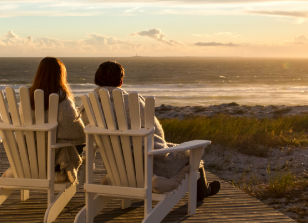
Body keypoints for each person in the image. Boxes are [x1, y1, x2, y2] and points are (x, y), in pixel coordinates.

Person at [83, 61, 220, 199]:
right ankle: (203, 191)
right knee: (190, 153)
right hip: (150, 164)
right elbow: (157, 133)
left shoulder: (89, 105)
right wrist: (162, 148)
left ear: (97, 80)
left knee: (178, 149)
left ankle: (204, 189)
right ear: (120, 81)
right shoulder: (132, 101)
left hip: (117, 166)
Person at [14, 57, 85, 183]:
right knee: (78, 144)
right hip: (53, 161)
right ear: (61, 75)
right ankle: (62, 171)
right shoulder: (62, 98)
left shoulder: (27, 97)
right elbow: (77, 132)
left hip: (28, 158)